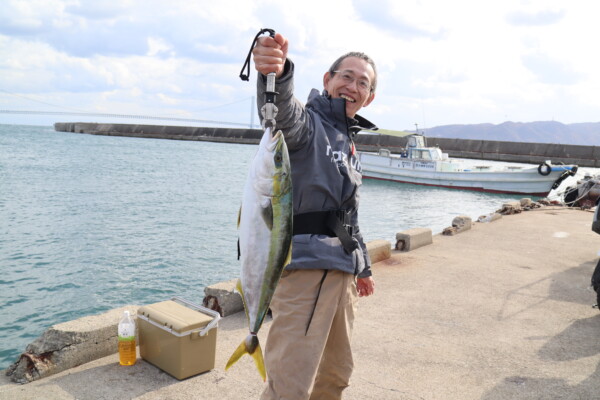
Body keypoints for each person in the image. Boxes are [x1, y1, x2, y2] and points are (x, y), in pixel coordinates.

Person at [253, 32, 377, 400]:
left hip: (343, 275)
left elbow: (350, 216)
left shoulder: (349, 143)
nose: (352, 86)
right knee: (290, 384)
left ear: (370, 96)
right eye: (346, 76)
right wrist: (275, 73)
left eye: (363, 83)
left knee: (336, 376)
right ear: (327, 80)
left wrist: (364, 266)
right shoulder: (309, 126)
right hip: (305, 271)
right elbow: (281, 114)